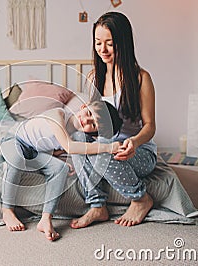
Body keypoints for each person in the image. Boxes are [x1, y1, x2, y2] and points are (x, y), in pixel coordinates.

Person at [70, 11, 157, 229]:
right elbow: (92, 126)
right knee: (79, 140)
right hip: (109, 145)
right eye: (98, 43)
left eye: (110, 43)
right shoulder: (93, 78)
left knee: (104, 153)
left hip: (138, 150)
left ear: (123, 42)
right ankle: (97, 205)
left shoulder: (140, 78)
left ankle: (140, 199)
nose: (103, 49)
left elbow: (150, 125)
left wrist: (134, 143)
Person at [0, 100, 123, 241]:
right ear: (83, 106)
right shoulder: (58, 114)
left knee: (61, 169)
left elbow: (57, 148)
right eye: (89, 113)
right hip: (15, 139)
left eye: (93, 124)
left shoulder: (74, 135)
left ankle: (46, 218)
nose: (86, 120)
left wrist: (62, 161)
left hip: (34, 151)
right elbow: (70, 146)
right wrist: (108, 147)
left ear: (95, 132)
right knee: (17, 160)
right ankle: (7, 210)